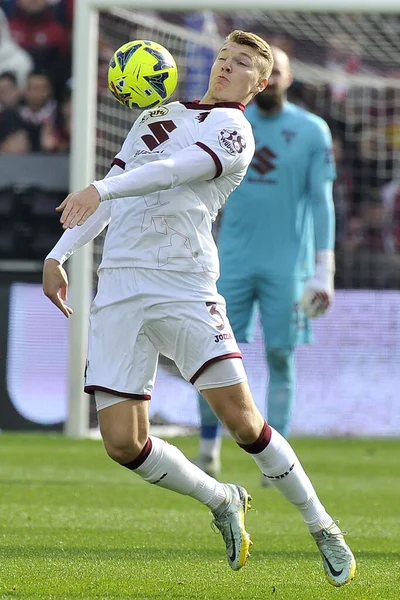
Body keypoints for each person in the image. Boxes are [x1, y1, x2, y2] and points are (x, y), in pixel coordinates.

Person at [42, 31, 355, 587]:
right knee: (121, 443)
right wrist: (60, 253)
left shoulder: (233, 131)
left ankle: (322, 526)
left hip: (184, 286)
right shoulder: (156, 115)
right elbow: (112, 191)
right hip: (119, 287)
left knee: (243, 423)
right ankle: (220, 499)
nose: (227, 68)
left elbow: (167, 174)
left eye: (242, 66)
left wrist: (101, 189)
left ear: (259, 85)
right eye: (223, 59)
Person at [194, 46, 336, 481]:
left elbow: (321, 200)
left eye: (278, 72)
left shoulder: (312, 130)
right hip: (229, 262)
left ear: (288, 78)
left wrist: (323, 269)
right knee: (211, 355)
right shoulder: (226, 122)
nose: (271, 80)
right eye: (264, 72)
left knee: (279, 356)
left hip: (287, 266)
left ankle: (278, 462)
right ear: (255, 79)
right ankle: (207, 445)